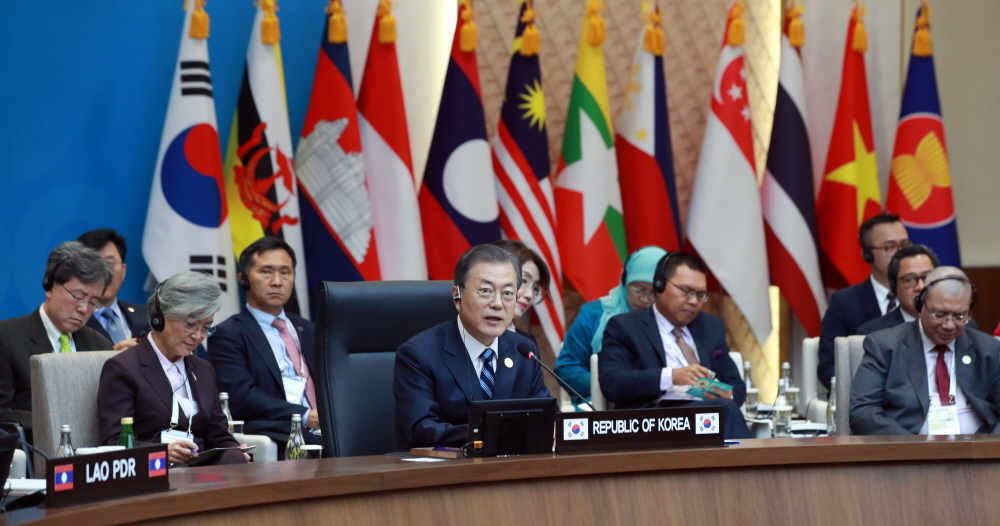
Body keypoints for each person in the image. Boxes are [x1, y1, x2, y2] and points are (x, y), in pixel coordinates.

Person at [394, 244, 550, 449]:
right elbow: (420, 430)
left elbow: (546, 417)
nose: (497, 303)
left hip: (512, 472)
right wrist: (492, 432)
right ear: (457, 296)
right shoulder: (418, 354)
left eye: (508, 293)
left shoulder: (524, 351)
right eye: (485, 291)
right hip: (448, 473)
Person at [97, 272, 248, 465]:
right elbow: (115, 442)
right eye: (190, 324)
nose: (197, 336)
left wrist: (233, 449)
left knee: (236, 459)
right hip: (154, 472)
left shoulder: (203, 369)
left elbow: (218, 435)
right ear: (161, 317)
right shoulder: (123, 368)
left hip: (200, 471)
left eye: (205, 327)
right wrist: (162, 452)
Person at [598, 251, 751, 439]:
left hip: (707, 418)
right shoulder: (624, 326)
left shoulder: (711, 326)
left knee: (726, 408)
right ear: (659, 286)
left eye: (701, 295)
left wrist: (727, 394)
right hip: (652, 422)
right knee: (724, 411)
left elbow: (736, 384)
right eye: (686, 291)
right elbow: (612, 382)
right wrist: (671, 376)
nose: (694, 301)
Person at [850, 267, 1000, 435]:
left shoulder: (989, 349)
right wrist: (913, 449)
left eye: (959, 316)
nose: (949, 325)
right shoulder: (884, 346)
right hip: (909, 453)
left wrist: (989, 448)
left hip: (976, 453)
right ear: (920, 305)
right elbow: (863, 411)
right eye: (939, 314)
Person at [208, 237, 321, 452]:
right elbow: (240, 397)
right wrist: (303, 415)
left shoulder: (310, 330)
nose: (277, 281)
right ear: (244, 279)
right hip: (278, 433)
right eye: (267, 272)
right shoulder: (228, 334)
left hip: (325, 430)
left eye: (285, 272)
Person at [0, 241, 113, 437]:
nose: (84, 309)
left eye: (94, 302)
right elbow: (2, 414)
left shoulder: (100, 345)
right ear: (50, 286)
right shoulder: (7, 337)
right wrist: (58, 424)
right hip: (32, 454)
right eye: (78, 297)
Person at [554, 246, 667, 401]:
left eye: (653, 293)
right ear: (625, 280)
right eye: (638, 289)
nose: (645, 299)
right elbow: (566, 367)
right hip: (599, 401)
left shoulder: (671, 320)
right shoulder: (594, 314)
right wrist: (609, 384)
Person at [818, 214, 910, 390]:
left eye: (905, 245)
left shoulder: (923, 299)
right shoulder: (844, 302)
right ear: (867, 255)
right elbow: (828, 366)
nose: (901, 253)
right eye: (890, 247)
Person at [78, 228, 149, 350]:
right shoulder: (73, 319)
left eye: (109, 264)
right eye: (94, 264)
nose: (103, 273)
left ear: (123, 271)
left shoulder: (148, 317)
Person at [493, 239, 550, 345]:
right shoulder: (462, 334)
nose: (530, 295)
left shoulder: (527, 344)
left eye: (535, 288)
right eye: (524, 280)